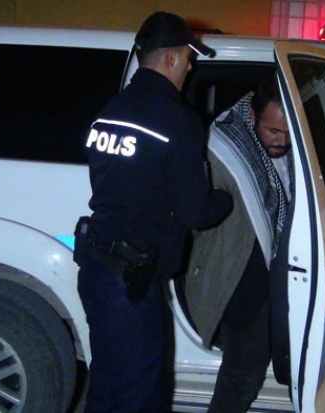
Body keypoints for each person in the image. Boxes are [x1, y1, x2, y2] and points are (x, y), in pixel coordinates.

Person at [73, 11, 233, 413]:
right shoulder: (178, 120)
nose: (190, 67)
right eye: (188, 58)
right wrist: (226, 198)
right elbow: (197, 213)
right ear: (172, 58)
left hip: (96, 269)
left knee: (107, 383)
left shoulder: (112, 107)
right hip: (131, 280)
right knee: (141, 395)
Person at [183, 80, 293, 413]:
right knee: (244, 372)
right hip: (234, 277)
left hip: (268, 276)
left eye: (288, 132)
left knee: (247, 368)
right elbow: (196, 214)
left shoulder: (288, 153)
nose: (282, 140)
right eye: (273, 131)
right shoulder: (224, 149)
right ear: (253, 117)